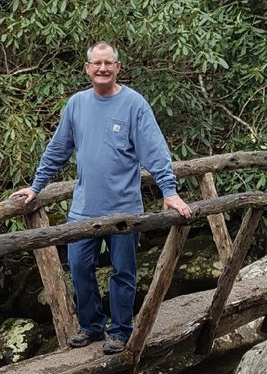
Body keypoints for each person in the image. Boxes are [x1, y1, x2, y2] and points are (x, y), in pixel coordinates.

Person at [11, 41, 191, 354]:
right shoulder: (77, 105)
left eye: (108, 63)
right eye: (97, 64)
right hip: (83, 210)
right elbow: (58, 149)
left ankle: (120, 331)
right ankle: (92, 326)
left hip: (124, 210)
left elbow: (155, 151)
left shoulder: (134, 105)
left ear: (118, 68)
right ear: (88, 69)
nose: (103, 69)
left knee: (123, 272)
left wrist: (169, 191)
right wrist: (36, 187)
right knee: (80, 268)